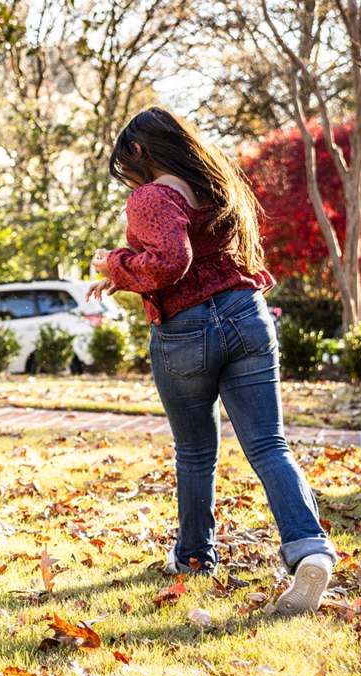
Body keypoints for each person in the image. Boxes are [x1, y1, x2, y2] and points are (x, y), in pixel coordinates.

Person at [88, 107, 336, 615]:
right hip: (247, 315)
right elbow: (195, 255)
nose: (129, 177)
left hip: (188, 331)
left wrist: (114, 261)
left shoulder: (151, 194)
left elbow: (171, 262)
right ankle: (309, 548)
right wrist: (128, 274)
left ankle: (196, 558)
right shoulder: (219, 185)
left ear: (138, 151)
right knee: (269, 444)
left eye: (127, 165)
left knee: (196, 451)